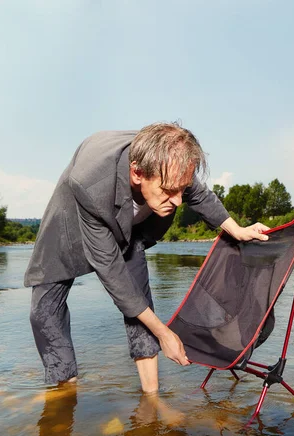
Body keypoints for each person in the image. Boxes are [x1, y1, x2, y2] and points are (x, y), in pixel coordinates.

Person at [25, 123, 269, 393]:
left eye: (181, 190)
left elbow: (198, 195)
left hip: (131, 226)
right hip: (67, 224)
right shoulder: (90, 184)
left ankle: (151, 396)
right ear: (138, 173)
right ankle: (65, 386)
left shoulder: (170, 160)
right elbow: (111, 272)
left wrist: (237, 230)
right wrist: (165, 334)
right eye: (168, 192)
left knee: (139, 299)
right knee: (44, 311)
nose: (178, 202)